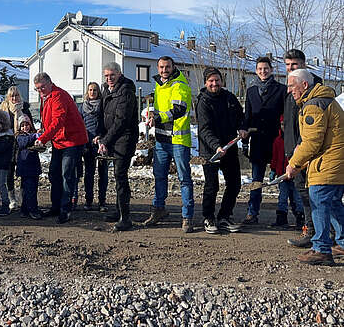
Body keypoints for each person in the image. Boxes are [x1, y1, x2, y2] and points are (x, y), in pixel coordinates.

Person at [285, 69, 344, 266]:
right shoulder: (324, 100)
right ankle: (342, 243)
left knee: (318, 202)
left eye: (292, 86)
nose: (289, 90)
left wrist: (294, 164)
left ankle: (321, 249)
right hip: (337, 163)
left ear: (304, 85)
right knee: (333, 203)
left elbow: (312, 142)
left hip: (327, 165)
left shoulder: (313, 106)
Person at [145, 56, 195, 233]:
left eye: (167, 67)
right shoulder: (159, 85)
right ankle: (158, 209)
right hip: (161, 139)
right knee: (159, 176)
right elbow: (161, 108)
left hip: (178, 140)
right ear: (157, 68)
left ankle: (187, 216)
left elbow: (178, 110)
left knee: (184, 179)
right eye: (161, 67)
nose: (164, 70)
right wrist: (151, 113)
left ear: (173, 67)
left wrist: (157, 118)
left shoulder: (179, 85)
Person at [33, 72, 88, 224]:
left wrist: (43, 138)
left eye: (42, 87)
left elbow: (58, 120)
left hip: (72, 141)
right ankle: (56, 206)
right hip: (60, 141)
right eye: (37, 89)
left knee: (66, 175)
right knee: (54, 173)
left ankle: (65, 209)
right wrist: (44, 131)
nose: (40, 91)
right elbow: (50, 121)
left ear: (50, 83)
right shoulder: (47, 97)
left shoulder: (59, 96)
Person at [283, 49, 324, 248]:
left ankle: (318, 234)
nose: (291, 68)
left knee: (313, 194)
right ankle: (314, 230)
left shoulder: (313, 88)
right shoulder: (290, 87)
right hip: (293, 149)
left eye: (295, 64)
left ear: (304, 64)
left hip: (307, 151)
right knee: (304, 192)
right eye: (288, 65)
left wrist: (300, 148)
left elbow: (311, 126)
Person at [196, 67, 243, 234]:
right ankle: (208, 217)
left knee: (234, 184)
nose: (214, 83)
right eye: (211, 81)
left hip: (229, 148)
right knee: (212, 186)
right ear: (206, 83)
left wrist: (242, 128)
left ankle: (224, 216)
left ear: (221, 81)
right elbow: (204, 129)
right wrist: (216, 145)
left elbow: (240, 117)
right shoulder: (203, 102)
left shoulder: (229, 98)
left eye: (217, 80)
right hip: (211, 151)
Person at [240, 56, 286, 225]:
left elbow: (286, 116)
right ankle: (252, 213)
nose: (263, 71)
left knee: (282, 178)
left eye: (266, 68)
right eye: (260, 69)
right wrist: (244, 138)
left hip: (277, 140)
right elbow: (248, 116)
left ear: (271, 70)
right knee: (256, 179)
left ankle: (283, 214)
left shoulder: (282, 89)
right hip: (258, 139)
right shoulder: (251, 90)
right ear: (256, 71)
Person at [97, 63, 139, 231]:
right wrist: (101, 136)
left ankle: (125, 217)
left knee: (120, 176)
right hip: (112, 138)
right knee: (117, 176)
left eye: (112, 75)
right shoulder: (107, 90)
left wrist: (106, 140)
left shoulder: (126, 91)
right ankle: (118, 210)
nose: (109, 79)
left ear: (119, 74)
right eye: (106, 76)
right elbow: (102, 114)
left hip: (125, 138)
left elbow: (121, 121)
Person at [0, 86, 33, 210]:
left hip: (22, 145)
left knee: (24, 172)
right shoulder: (4, 110)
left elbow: (31, 126)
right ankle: (11, 198)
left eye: (16, 95)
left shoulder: (25, 110)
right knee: (9, 173)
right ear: (8, 97)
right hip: (8, 146)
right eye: (12, 96)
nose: (14, 98)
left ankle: (22, 197)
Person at [270, 116, 305, 229]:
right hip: (282, 175)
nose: (283, 127)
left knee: (297, 197)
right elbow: (275, 157)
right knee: (282, 197)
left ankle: (300, 218)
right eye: (281, 124)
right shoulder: (277, 141)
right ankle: (281, 218)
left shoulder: (296, 141)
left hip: (295, 174)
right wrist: (273, 169)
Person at [78, 82, 107, 212]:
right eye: (90, 90)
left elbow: (107, 124)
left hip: (102, 144)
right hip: (88, 145)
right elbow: (79, 126)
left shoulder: (104, 106)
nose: (92, 92)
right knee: (89, 174)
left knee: (103, 174)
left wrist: (102, 137)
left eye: (95, 90)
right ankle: (88, 201)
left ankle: (102, 202)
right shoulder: (82, 107)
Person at [15, 115, 43, 220]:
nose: (25, 127)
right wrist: (35, 136)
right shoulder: (19, 136)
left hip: (34, 167)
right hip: (25, 167)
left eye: (27, 125)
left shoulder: (31, 135)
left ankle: (25, 210)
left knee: (31, 189)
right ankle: (33, 210)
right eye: (22, 125)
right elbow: (23, 143)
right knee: (29, 190)